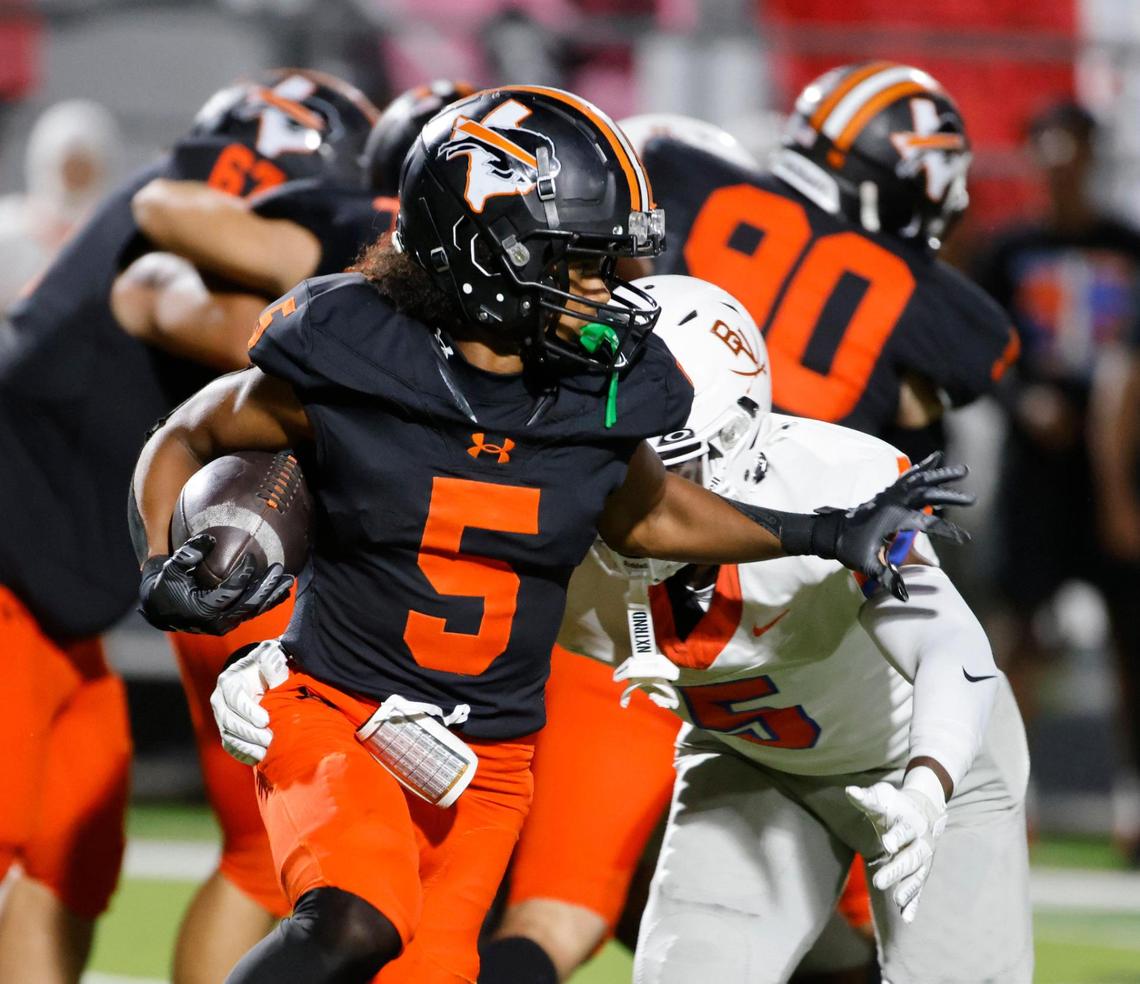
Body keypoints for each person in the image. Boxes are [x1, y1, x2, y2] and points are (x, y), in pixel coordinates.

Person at [142, 85, 970, 984]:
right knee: (353, 920)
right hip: (340, 710)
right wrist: (157, 557)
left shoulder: (592, 392)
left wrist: (823, 532)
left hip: (490, 764)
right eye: (582, 265)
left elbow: (652, 515)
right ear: (489, 251)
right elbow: (187, 434)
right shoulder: (353, 354)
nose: (610, 292)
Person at [483, 71, 1014, 979]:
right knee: (814, 920)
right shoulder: (924, 313)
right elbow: (931, 393)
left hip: (711, 600)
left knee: (568, 910)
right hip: (761, 659)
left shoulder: (681, 176)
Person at [0, 68, 377, 984]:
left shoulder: (174, 212)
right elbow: (228, 328)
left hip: (50, 607)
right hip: (11, 587)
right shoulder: (162, 239)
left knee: (70, 857)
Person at [555, 276, 1029, 984]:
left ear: (733, 441)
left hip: (921, 762)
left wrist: (929, 787)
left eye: (661, 471)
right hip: (751, 762)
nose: (625, 498)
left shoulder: (831, 484)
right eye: (607, 460)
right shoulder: (552, 518)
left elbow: (952, 648)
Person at [110, 80, 470, 984]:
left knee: (342, 860)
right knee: (287, 860)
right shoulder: (350, 223)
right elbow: (162, 224)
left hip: (336, 560)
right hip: (284, 558)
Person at [645, 61, 1018, 465]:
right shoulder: (921, 290)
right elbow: (983, 356)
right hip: (798, 486)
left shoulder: (686, 172)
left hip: (656, 443)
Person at [974, 101, 1140, 861]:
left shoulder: (1125, 245)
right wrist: (1022, 401)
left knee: (1130, 636)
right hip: (1036, 470)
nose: (1061, 165)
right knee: (1022, 627)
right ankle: (1015, 793)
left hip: (1120, 470)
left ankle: (1129, 798)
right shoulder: (1010, 249)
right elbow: (984, 350)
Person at [0, 99, 121, 312]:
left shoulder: (116, 244)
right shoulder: (7, 232)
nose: (76, 178)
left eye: (84, 168)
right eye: (70, 168)